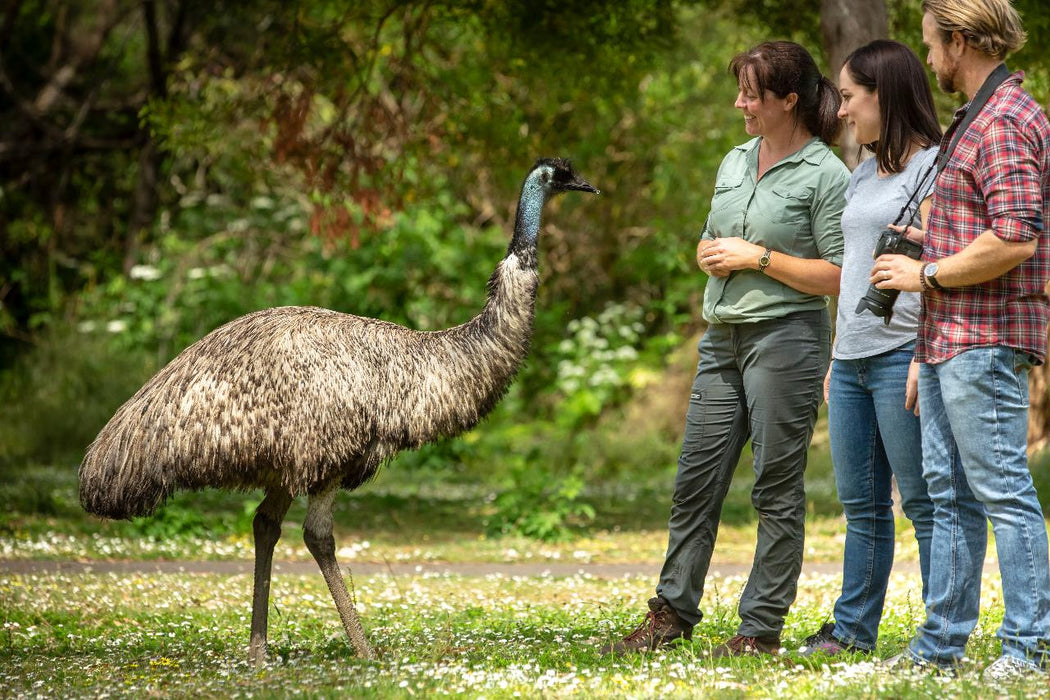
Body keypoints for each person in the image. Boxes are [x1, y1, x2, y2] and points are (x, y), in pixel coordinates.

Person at [601, 40, 849, 657]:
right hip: (722, 340)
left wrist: (758, 258)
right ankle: (672, 614)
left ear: (788, 100)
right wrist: (708, 252)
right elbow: (716, 238)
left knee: (774, 486)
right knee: (696, 481)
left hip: (787, 338)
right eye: (739, 89)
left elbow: (844, 273)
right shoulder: (734, 161)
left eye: (751, 94)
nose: (740, 103)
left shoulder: (826, 174)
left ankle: (759, 629)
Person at [872, 0, 1050, 680]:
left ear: (959, 40)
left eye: (931, 45)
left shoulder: (1005, 121)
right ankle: (940, 645)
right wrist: (924, 343)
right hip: (949, 339)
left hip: (988, 335)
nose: (929, 60)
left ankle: (1030, 646)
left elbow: (1014, 237)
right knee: (949, 495)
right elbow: (978, 227)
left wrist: (925, 273)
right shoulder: (971, 120)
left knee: (1002, 489)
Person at [797, 40, 941, 658]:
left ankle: (944, 633)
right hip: (852, 358)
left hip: (903, 353)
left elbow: (941, 271)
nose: (844, 111)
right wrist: (837, 354)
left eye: (852, 97)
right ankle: (853, 633)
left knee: (924, 503)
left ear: (886, 94)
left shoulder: (934, 168)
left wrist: (920, 358)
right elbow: (855, 268)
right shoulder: (863, 168)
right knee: (862, 507)